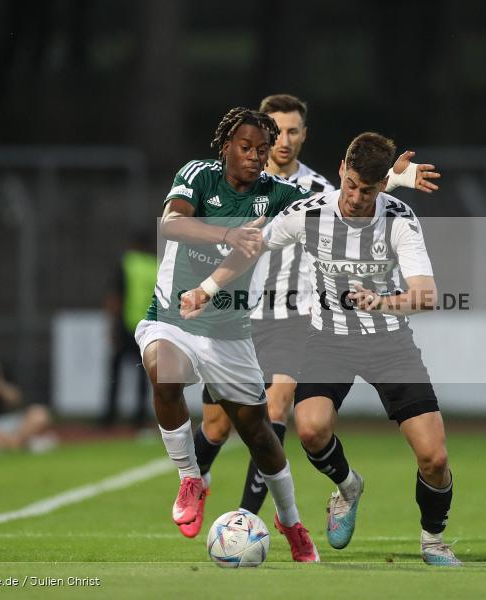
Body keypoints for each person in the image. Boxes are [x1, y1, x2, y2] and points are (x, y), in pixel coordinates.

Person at [180, 132, 461, 566]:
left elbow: (426, 294)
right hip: (327, 339)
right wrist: (206, 288)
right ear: (341, 173)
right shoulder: (309, 213)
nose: (354, 197)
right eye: (349, 184)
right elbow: (251, 247)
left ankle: (433, 540)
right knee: (310, 430)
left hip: (390, 341)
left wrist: (382, 301)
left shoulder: (400, 218)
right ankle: (348, 486)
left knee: (434, 457)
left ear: (382, 186)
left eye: (366, 190)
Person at [135, 106, 319, 561]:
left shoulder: (275, 193)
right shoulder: (199, 175)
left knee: (258, 434)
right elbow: (171, 223)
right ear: (225, 147)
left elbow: (330, 205)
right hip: (173, 317)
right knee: (165, 370)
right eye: (246, 147)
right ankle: (190, 479)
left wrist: (388, 183)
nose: (256, 156)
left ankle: (292, 522)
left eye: (262, 149)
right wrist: (229, 233)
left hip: (231, 332)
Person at [101, 231, 156, 428]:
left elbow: (115, 296)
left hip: (125, 325)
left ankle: (109, 417)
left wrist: (111, 325)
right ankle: (140, 418)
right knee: (143, 374)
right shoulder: (155, 266)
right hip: (148, 327)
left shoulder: (127, 263)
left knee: (115, 373)